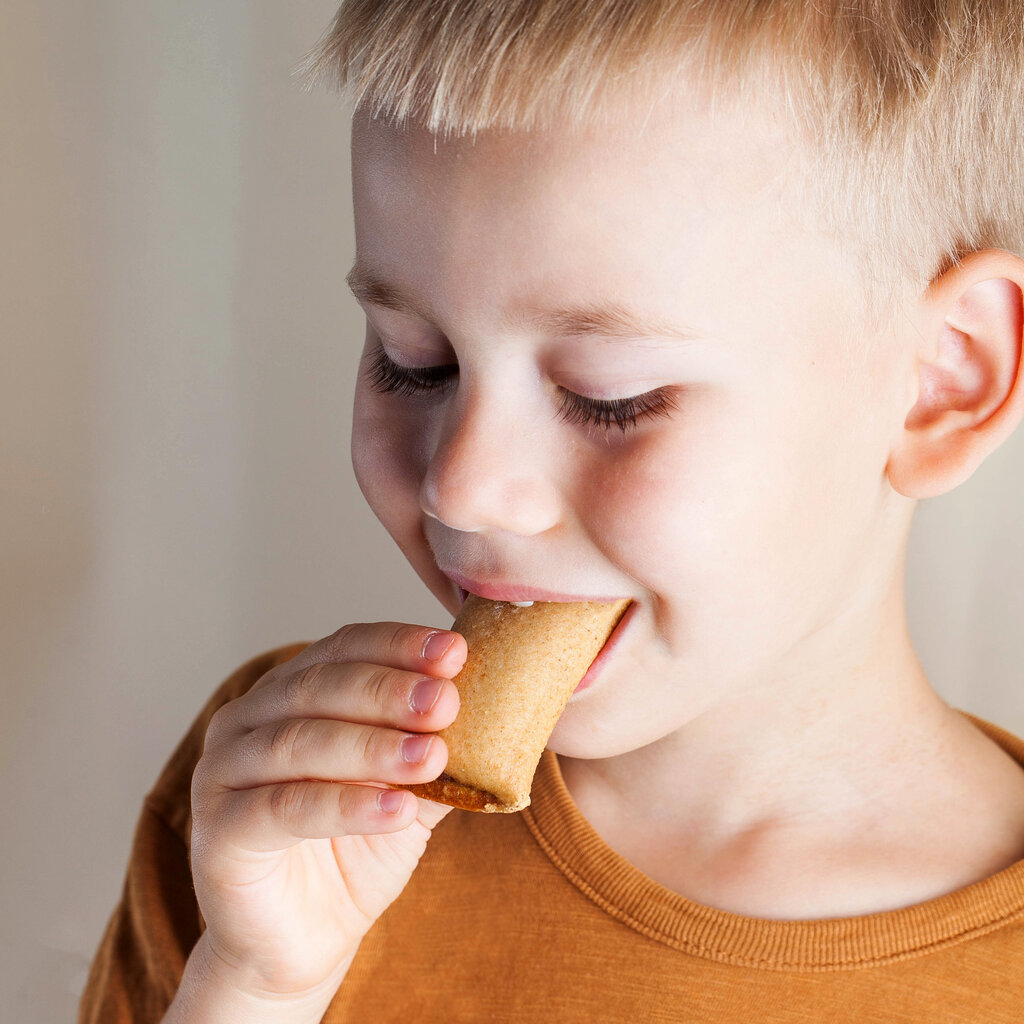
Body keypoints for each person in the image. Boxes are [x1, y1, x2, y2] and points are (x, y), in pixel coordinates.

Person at [80, 2, 1024, 1021]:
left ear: (940, 380)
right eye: (414, 361)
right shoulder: (279, 804)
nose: (464, 484)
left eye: (609, 396)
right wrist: (257, 984)